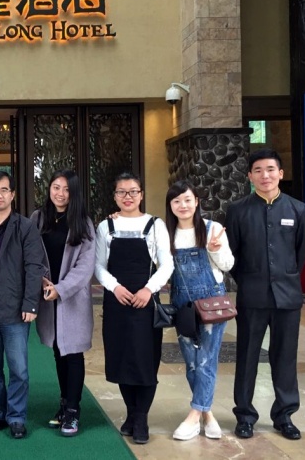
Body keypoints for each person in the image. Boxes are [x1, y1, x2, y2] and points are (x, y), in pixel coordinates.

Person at [225, 148, 305, 441]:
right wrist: (249, 280)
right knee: (247, 356)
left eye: (271, 169)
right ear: (250, 176)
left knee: (285, 357)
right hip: (252, 296)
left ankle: (284, 415)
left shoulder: (298, 209)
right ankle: (245, 416)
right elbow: (232, 256)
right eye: (258, 170)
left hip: (288, 297)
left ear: (281, 173)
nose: (265, 175)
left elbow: (300, 254)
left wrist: (285, 277)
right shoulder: (237, 210)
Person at [94, 172, 174, 445]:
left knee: (145, 361)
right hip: (116, 302)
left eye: (133, 191)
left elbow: (167, 264)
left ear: (141, 194)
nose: (127, 197)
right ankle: (131, 412)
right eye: (121, 192)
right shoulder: (105, 226)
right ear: (114, 196)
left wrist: (148, 290)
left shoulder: (155, 224)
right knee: (121, 359)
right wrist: (115, 287)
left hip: (145, 302)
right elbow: (98, 266)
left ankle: (141, 418)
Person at [0, 171, 43, 440]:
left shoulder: (25, 227)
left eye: (4, 190)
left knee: (18, 368)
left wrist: (30, 304)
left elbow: (34, 267)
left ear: (12, 194)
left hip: (15, 309)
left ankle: (16, 417)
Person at [165, 181, 234, 441]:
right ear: (170, 206)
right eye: (176, 201)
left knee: (206, 360)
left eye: (187, 199)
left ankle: (194, 415)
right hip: (182, 305)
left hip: (212, 303)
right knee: (192, 363)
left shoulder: (212, 228)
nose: (182, 205)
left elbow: (227, 265)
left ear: (196, 201)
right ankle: (207, 414)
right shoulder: (166, 233)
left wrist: (215, 250)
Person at [31, 170, 96, 437]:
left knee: (73, 353)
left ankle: (73, 410)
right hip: (47, 296)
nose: (60, 193)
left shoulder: (83, 223)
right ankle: (64, 403)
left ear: (74, 193)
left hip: (72, 298)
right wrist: (41, 282)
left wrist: (62, 289)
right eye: (56, 187)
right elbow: (30, 254)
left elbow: (85, 266)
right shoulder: (38, 218)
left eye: (67, 189)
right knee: (58, 350)